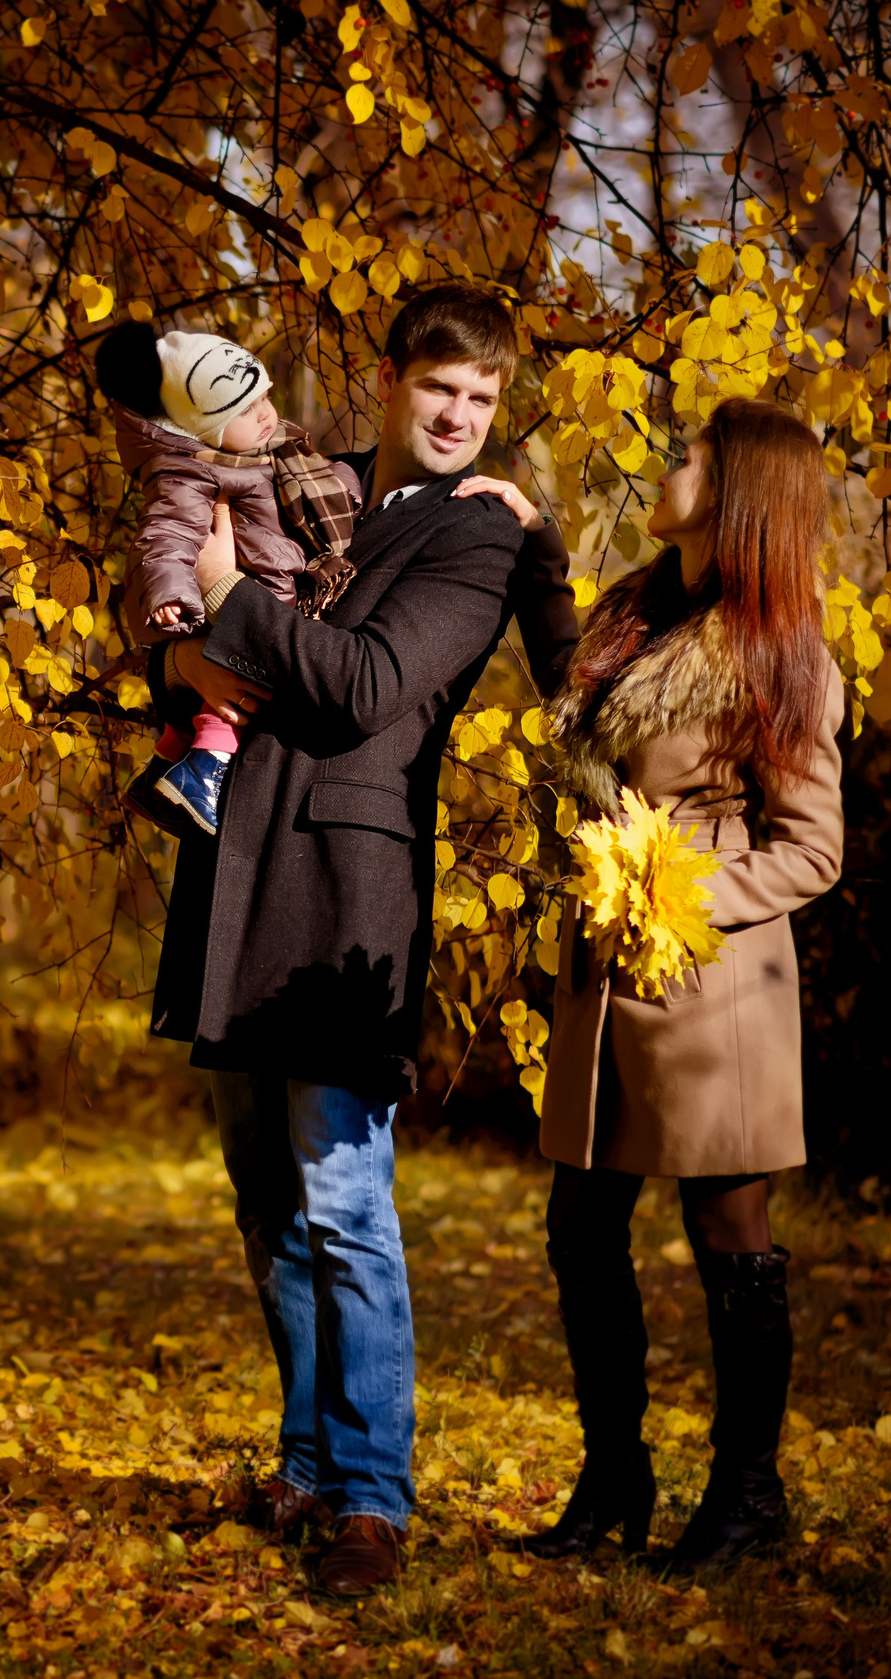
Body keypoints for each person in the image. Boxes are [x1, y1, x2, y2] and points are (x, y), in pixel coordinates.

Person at [155, 283, 582, 1597]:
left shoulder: (481, 541)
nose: (459, 416)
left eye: (483, 398)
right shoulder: (315, 484)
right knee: (265, 1199)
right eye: (438, 388)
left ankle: (373, 1497)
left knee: (345, 1202)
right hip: (237, 868)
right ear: (392, 378)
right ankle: (304, 1464)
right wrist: (179, 653)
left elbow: (366, 686)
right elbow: (182, 545)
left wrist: (232, 602)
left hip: (349, 888)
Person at [511, 397, 843, 1575]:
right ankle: (615, 1478)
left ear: (740, 492)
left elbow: (812, 845)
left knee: (725, 1229)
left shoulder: (780, 651)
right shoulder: (633, 613)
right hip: (606, 965)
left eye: (690, 454)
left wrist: (679, 890)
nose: (669, 463)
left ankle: (750, 1493)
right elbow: (573, 707)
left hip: (713, 978)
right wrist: (531, 553)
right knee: (579, 1225)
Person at [95, 324, 363, 835]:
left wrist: (348, 487)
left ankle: (167, 762)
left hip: (263, 597)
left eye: (263, 395)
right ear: (204, 428)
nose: (265, 412)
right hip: (247, 607)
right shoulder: (192, 473)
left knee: (241, 674)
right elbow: (166, 534)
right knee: (248, 686)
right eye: (244, 409)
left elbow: (324, 483)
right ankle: (203, 771)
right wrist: (169, 592)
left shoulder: (273, 450)